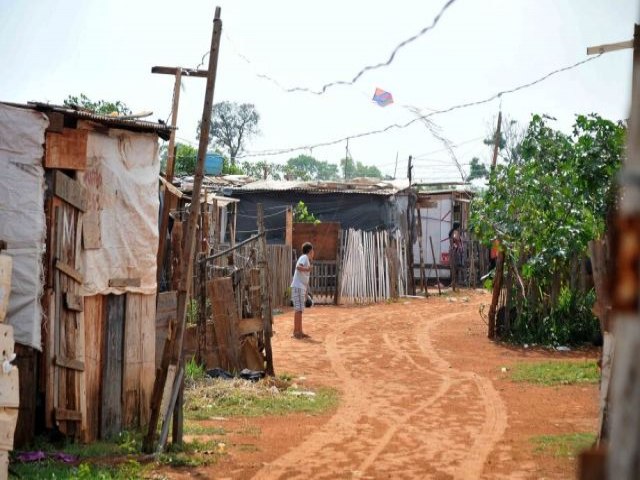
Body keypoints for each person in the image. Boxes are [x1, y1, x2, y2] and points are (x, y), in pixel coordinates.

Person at [290, 242, 314, 339]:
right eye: (313, 251)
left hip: (300, 287)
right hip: (298, 287)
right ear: (310, 251)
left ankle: (299, 331)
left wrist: (306, 293)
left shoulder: (305, 259)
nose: (313, 253)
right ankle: (296, 332)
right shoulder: (304, 257)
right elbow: (298, 267)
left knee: (299, 310)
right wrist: (307, 269)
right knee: (298, 310)